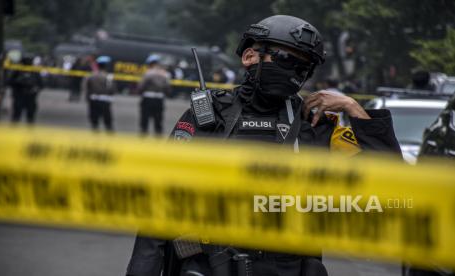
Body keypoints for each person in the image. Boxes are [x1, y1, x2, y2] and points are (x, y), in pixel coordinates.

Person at [126, 15, 401, 276]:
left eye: (303, 67)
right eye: (284, 58)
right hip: (209, 265)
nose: (294, 71)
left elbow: (391, 184)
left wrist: (354, 109)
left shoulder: (314, 125)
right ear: (249, 56)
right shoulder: (209, 116)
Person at [137, 54, 171, 135]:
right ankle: (158, 143)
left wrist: (140, 92)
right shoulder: (165, 74)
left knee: (144, 122)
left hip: (148, 99)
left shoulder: (148, 73)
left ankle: (142, 141)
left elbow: (141, 87)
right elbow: (168, 88)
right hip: (159, 99)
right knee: (158, 122)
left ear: (150, 63)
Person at [82, 55, 116, 131]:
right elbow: (112, 89)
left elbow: (86, 88)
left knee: (94, 122)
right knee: (108, 123)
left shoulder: (91, 75)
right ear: (106, 66)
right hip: (105, 100)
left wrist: (88, 98)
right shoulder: (109, 77)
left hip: (93, 100)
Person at [7, 55, 43, 124]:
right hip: (19, 95)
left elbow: (40, 85)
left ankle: (29, 132)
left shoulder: (34, 71)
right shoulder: (18, 70)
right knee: (16, 116)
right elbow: (10, 82)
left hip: (30, 96)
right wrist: (18, 84)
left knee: (30, 117)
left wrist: (35, 89)